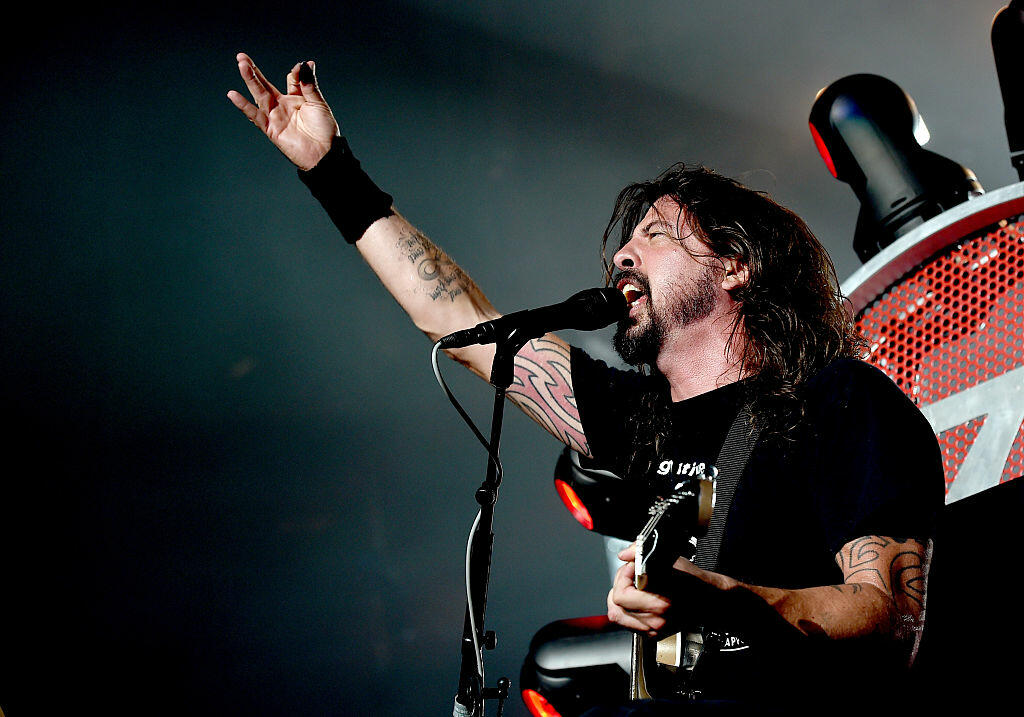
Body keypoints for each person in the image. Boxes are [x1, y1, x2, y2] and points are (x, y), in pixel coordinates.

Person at [228, 54, 944, 713]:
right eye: (624, 243)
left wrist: (734, 602)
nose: (623, 254)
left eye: (656, 234)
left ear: (734, 266)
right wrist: (332, 171)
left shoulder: (839, 400)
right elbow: (455, 316)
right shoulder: (641, 421)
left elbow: (891, 620)